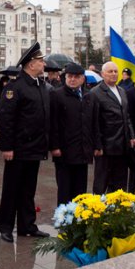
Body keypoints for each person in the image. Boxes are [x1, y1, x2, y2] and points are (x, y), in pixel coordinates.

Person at [0, 42, 50, 243]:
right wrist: (7, 147)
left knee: (29, 189)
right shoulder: (15, 87)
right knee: (12, 189)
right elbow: (6, 118)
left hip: (35, 147)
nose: (43, 63)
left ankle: (27, 225)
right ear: (30, 64)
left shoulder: (40, 85)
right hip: (18, 149)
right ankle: (6, 227)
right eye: (40, 60)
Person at [88, 61, 135, 194]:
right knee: (101, 181)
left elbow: (126, 116)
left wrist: (132, 136)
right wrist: (97, 146)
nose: (114, 74)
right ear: (103, 74)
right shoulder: (95, 93)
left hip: (123, 145)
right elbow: (94, 122)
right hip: (106, 146)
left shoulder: (121, 90)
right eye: (110, 71)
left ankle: (117, 210)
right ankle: (97, 210)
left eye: (116, 71)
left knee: (120, 182)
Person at [49, 62, 92, 205]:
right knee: (64, 189)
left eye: (76, 77)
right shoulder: (57, 95)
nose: (72, 79)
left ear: (83, 79)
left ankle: (79, 218)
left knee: (80, 189)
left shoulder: (88, 96)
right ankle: (64, 220)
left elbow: (93, 122)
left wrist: (95, 145)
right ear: (64, 78)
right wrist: (54, 146)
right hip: (64, 152)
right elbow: (52, 123)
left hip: (83, 151)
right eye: (69, 76)